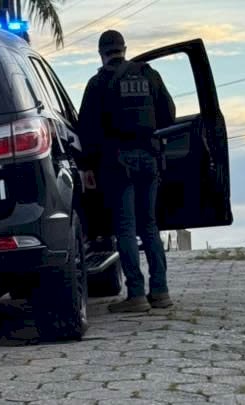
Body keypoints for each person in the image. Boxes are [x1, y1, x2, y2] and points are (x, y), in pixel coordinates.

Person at [77, 30, 176, 312]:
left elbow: (87, 129)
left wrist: (87, 166)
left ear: (101, 54)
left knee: (125, 229)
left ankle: (136, 295)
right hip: (149, 157)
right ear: (124, 49)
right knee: (150, 226)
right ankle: (161, 291)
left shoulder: (98, 83)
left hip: (117, 163)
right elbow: (168, 114)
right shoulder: (149, 75)